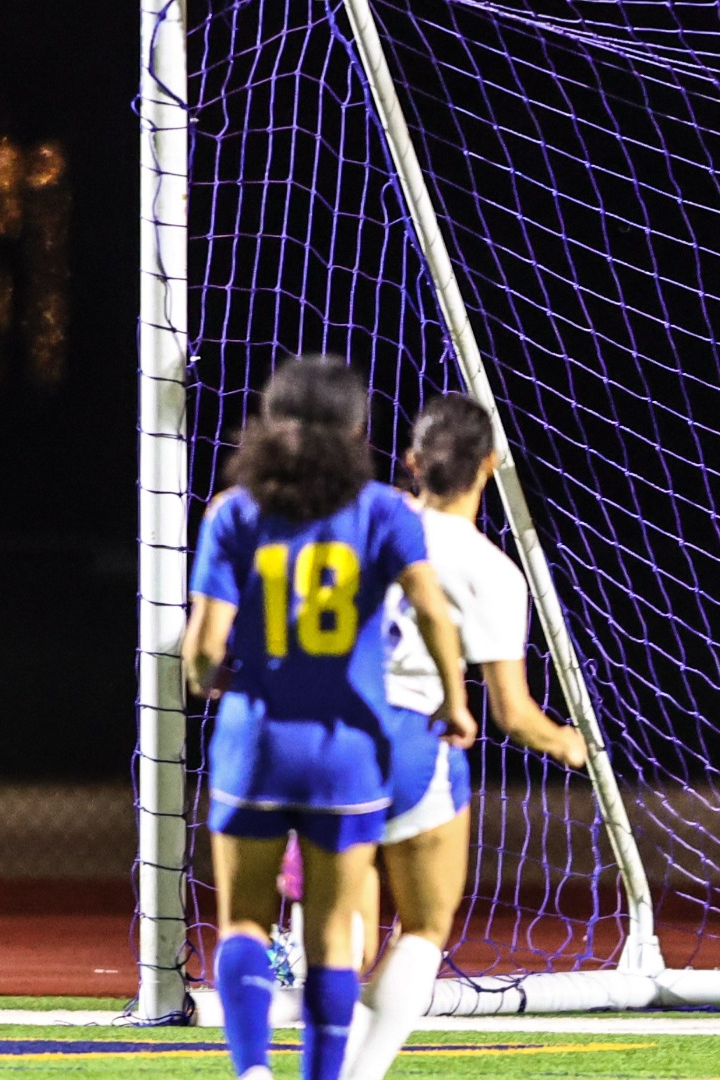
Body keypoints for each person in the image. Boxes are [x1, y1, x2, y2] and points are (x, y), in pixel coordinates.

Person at [182, 357, 476, 1080]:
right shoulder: (385, 510)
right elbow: (434, 611)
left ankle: (252, 1070)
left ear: (270, 422)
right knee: (331, 934)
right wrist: (454, 699)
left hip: (256, 739)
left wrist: (209, 678)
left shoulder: (233, 512)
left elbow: (204, 650)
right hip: (348, 745)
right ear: (357, 429)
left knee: (245, 920)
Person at [340, 393, 590, 1080]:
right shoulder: (493, 572)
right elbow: (513, 715)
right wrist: (570, 744)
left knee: (347, 922)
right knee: (421, 927)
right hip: (414, 740)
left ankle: (307, 995)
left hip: (327, 731)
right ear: (492, 465)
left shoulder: (363, 520)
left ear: (414, 461)